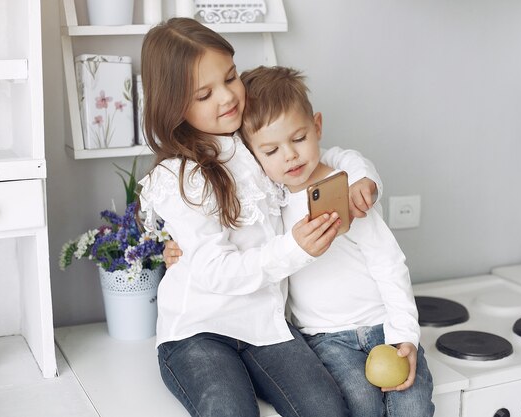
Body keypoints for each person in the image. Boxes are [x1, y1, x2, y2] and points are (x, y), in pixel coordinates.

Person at [138, 18, 381, 417]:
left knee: (326, 409)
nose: (227, 97)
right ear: (175, 105)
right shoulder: (179, 175)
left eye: (231, 77)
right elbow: (215, 271)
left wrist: (362, 177)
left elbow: (331, 155)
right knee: (230, 411)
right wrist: (294, 249)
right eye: (204, 94)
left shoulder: (255, 140)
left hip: (266, 327)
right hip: (200, 331)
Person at [165, 66, 435, 417]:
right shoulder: (268, 200)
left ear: (317, 127)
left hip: (384, 325)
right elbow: (230, 240)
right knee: (360, 406)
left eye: (298, 139)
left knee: (413, 406)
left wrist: (405, 334)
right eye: (271, 149)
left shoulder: (345, 191)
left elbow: (389, 263)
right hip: (324, 339)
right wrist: (177, 249)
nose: (289, 155)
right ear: (253, 156)